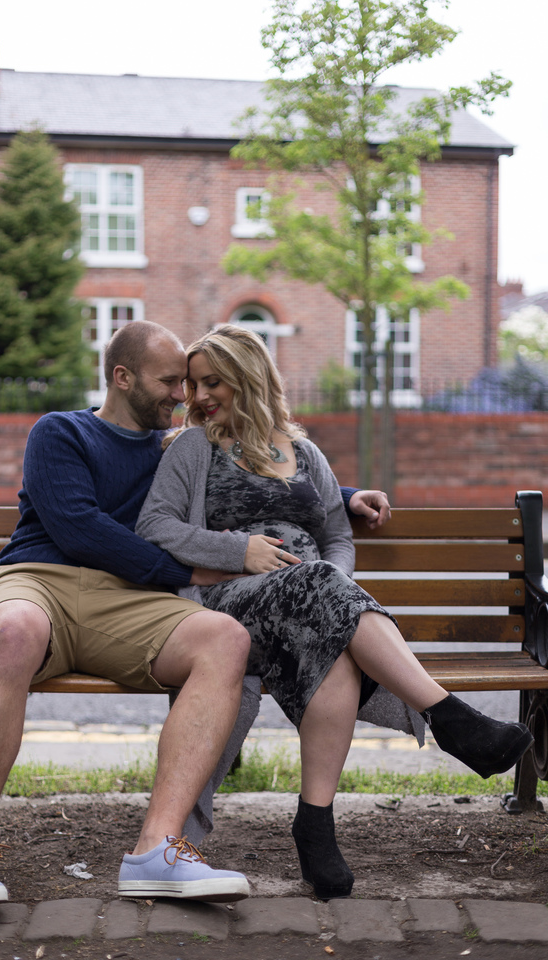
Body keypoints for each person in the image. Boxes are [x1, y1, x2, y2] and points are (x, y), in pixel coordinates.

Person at [0, 320, 388, 917]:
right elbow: (77, 526)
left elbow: (257, 466)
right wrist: (193, 572)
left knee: (224, 639)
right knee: (15, 632)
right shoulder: (61, 431)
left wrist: (347, 497)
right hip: (38, 582)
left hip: (127, 601)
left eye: (187, 382)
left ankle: (157, 848)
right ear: (122, 378)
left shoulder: (177, 447)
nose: (184, 395)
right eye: (170, 381)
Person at [135, 324, 534, 901]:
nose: (197, 398)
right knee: (323, 596)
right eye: (193, 385)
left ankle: (315, 823)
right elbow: (156, 525)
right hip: (227, 603)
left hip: (308, 600)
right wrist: (237, 550)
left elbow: (336, 534)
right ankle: (450, 718)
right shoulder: (193, 448)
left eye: (211, 382)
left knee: (336, 646)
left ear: (250, 377)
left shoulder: (304, 451)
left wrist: (333, 587)